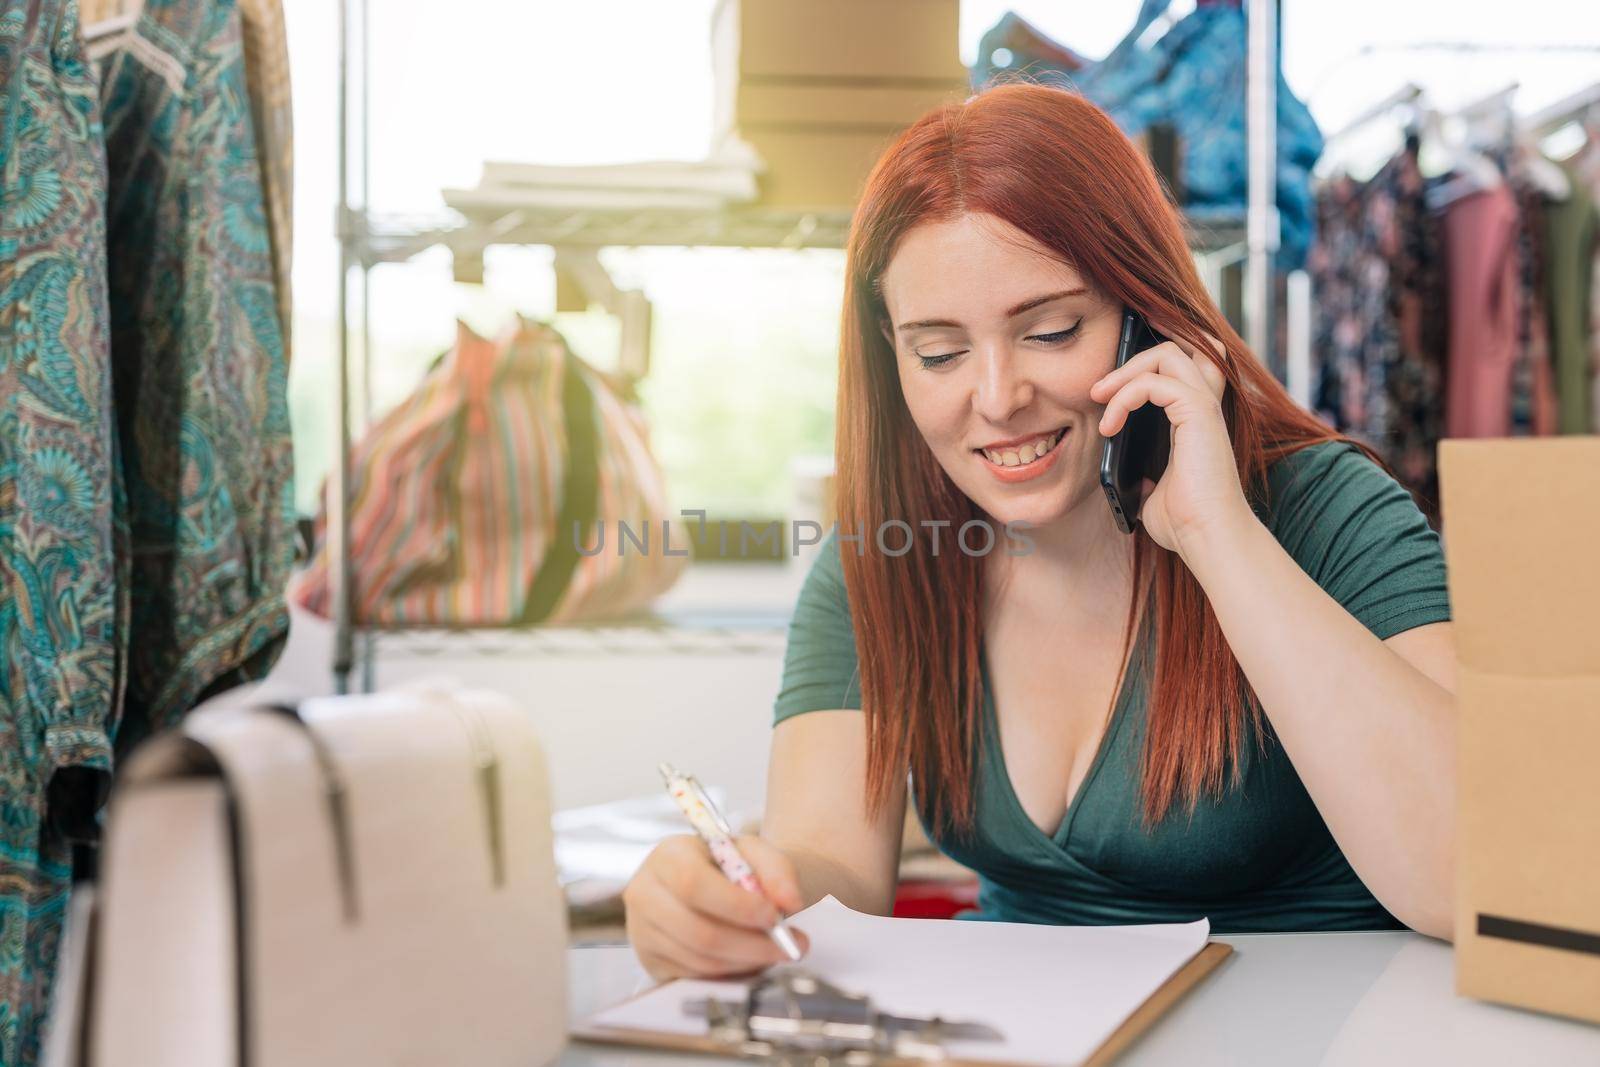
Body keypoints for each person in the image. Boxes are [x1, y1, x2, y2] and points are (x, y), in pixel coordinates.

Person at [623, 82, 1457, 981]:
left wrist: (1221, 538)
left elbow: (1473, 874)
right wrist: (738, 904)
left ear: (1148, 316)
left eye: (1052, 330)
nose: (996, 398)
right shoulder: (886, 555)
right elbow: (832, 878)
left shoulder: (1324, 508)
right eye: (938, 352)